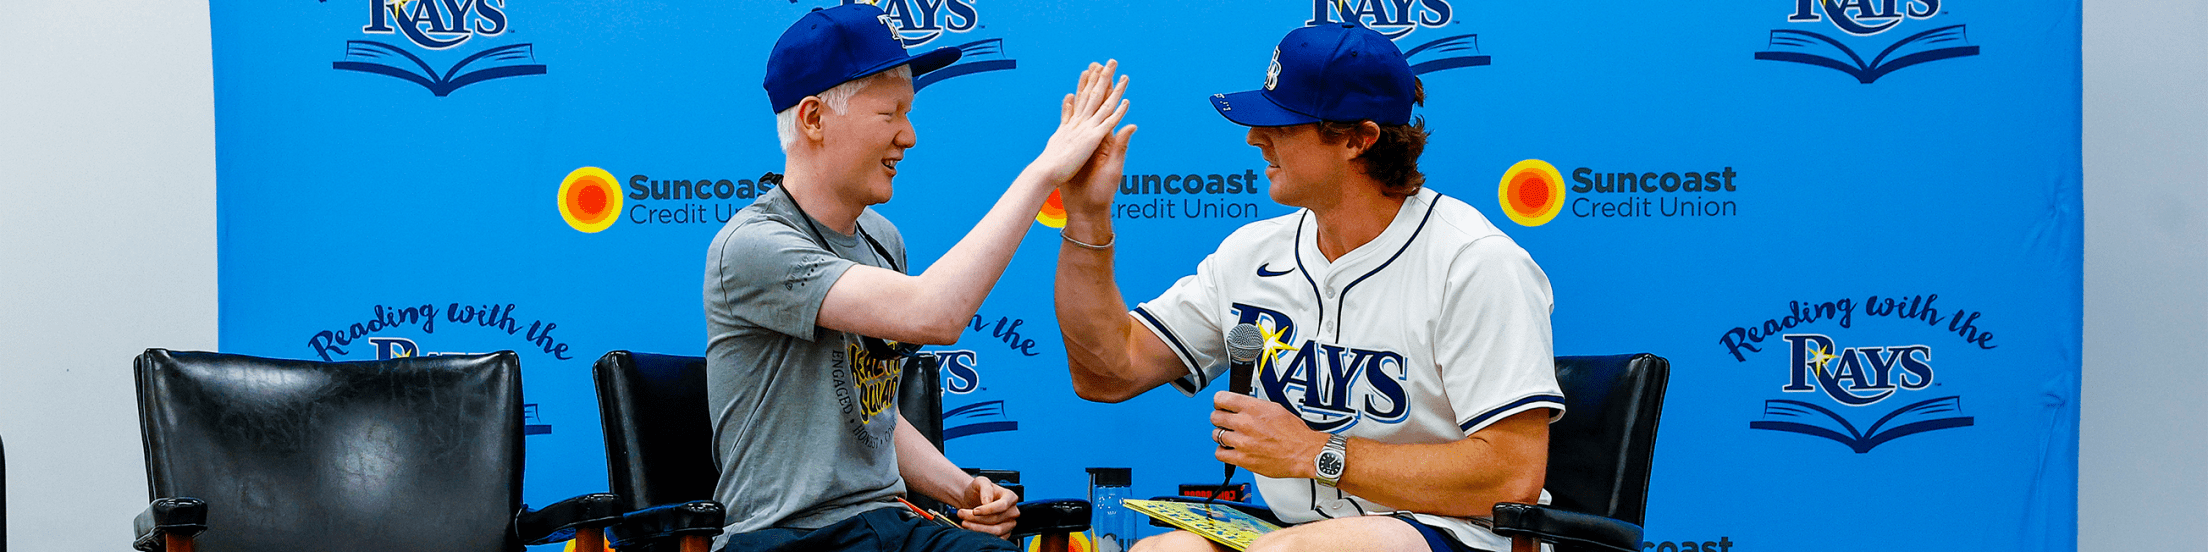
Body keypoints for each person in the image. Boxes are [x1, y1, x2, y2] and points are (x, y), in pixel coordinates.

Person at [1052, 23, 1561, 552]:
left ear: (1358, 138)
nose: (1255, 137)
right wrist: (1087, 214)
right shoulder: (1253, 252)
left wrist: (1313, 452)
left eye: (1283, 124)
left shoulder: (1475, 263)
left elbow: (1511, 477)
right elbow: (1108, 374)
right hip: (1297, 530)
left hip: (1461, 532)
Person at [703, 5, 1133, 552]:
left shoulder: (882, 239)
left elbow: (873, 415)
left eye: (908, 113)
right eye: (890, 114)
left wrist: (964, 488)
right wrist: (1044, 172)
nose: (908, 136)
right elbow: (935, 315)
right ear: (813, 119)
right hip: (787, 538)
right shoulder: (752, 246)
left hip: (888, 523)